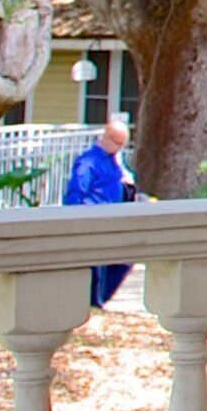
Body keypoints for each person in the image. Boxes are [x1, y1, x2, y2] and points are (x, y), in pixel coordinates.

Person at [66, 118, 141, 308]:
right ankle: (93, 302)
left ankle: (102, 297)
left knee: (123, 260)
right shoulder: (88, 161)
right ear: (106, 137)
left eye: (122, 144)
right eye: (116, 143)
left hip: (113, 219)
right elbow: (75, 193)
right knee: (96, 264)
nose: (118, 148)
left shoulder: (115, 161)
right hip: (92, 219)